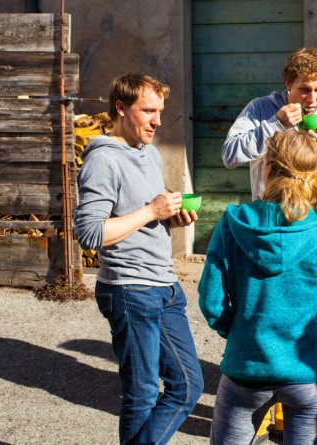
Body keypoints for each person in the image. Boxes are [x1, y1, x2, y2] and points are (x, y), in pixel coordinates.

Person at [73, 73, 204, 445]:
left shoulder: (148, 153)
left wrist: (171, 212)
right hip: (129, 291)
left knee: (188, 386)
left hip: (165, 287)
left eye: (160, 111)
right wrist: (150, 211)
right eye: (148, 111)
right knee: (143, 394)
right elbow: (91, 234)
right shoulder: (103, 161)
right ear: (120, 107)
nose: (157, 120)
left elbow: (147, 206)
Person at [200, 129, 317, 445]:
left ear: (268, 168)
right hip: (310, 374)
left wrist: (240, 332)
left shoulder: (233, 221)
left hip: (246, 369)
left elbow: (211, 301)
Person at [221, 47, 317, 200]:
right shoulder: (260, 108)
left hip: (313, 218)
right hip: (270, 216)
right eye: (305, 89)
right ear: (288, 83)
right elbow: (229, 156)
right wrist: (275, 124)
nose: (312, 99)